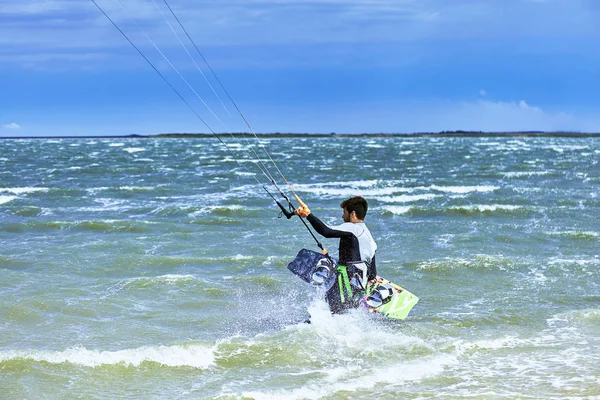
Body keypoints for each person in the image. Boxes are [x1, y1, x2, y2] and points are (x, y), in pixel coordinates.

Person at [295, 196, 378, 314]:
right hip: (357, 287)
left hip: (345, 281)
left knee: (328, 311)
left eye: (344, 212)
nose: (342, 216)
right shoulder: (370, 239)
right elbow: (372, 274)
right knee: (342, 314)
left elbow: (326, 231)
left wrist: (308, 215)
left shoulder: (353, 228)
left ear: (353, 214)